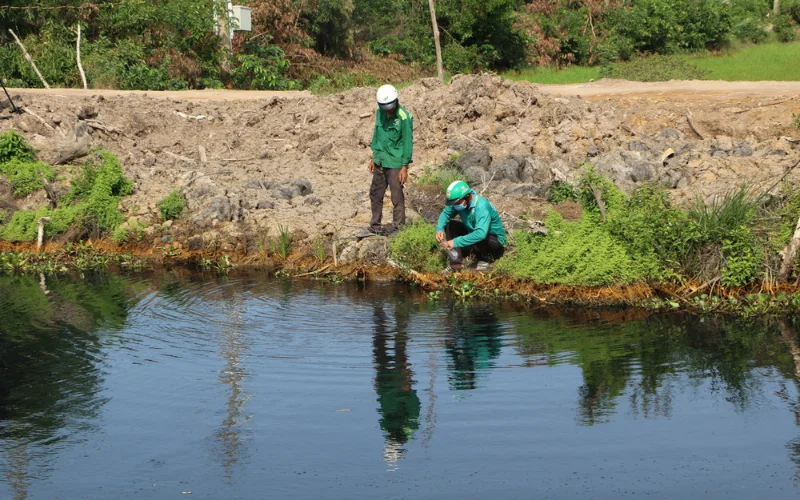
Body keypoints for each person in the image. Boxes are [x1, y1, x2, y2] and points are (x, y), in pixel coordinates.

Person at [368, 84, 413, 235]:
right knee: (375, 193)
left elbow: (407, 142)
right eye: (384, 107)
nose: (388, 110)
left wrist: (405, 166)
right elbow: (377, 134)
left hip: (395, 163)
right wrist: (373, 156)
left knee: (396, 196)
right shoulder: (379, 113)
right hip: (380, 159)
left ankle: (398, 228)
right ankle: (375, 226)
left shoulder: (403, 117)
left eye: (390, 107)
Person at [435, 180, 506, 272]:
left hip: (492, 241)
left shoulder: (481, 206)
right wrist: (439, 228)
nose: (455, 205)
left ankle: (485, 259)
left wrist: (455, 242)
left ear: (467, 197)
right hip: (474, 235)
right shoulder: (459, 203)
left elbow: (481, 233)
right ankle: (456, 263)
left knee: (480, 235)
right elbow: (445, 214)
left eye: (457, 202)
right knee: (450, 225)